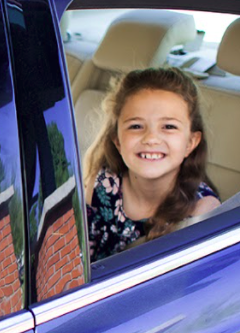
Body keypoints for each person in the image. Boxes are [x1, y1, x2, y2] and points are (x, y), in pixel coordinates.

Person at [85, 67, 221, 262]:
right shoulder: (103, 184)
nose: (151, 138)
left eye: (169, 126)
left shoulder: (202, 210)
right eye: (136, 126)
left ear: (190, 143)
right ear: (118, 141)